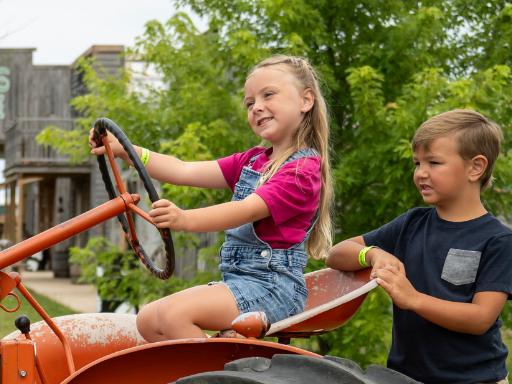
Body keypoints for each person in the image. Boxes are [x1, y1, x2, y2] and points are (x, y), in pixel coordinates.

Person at [91, 54, 334, 341]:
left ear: (306, 100)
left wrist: (184, 219)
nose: (257, 107)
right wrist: (125, 150)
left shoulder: (301, 172)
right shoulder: (252, 161)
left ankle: (215, 381)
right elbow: (183, 169)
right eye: (249, 103)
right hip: (241, 285)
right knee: (147, 321)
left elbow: (245, 210)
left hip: (273, 291)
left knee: (173, 314)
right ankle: (213, 368)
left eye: (268, 95)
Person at [327, 109, 512, 384]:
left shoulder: (497, 239)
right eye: (417, 163)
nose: (420, 173)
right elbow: (336, 254)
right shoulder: (412, 224)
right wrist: (372, 252)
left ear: (476, 167)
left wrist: (413, 299)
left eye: (434, 162)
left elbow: (481, 317)